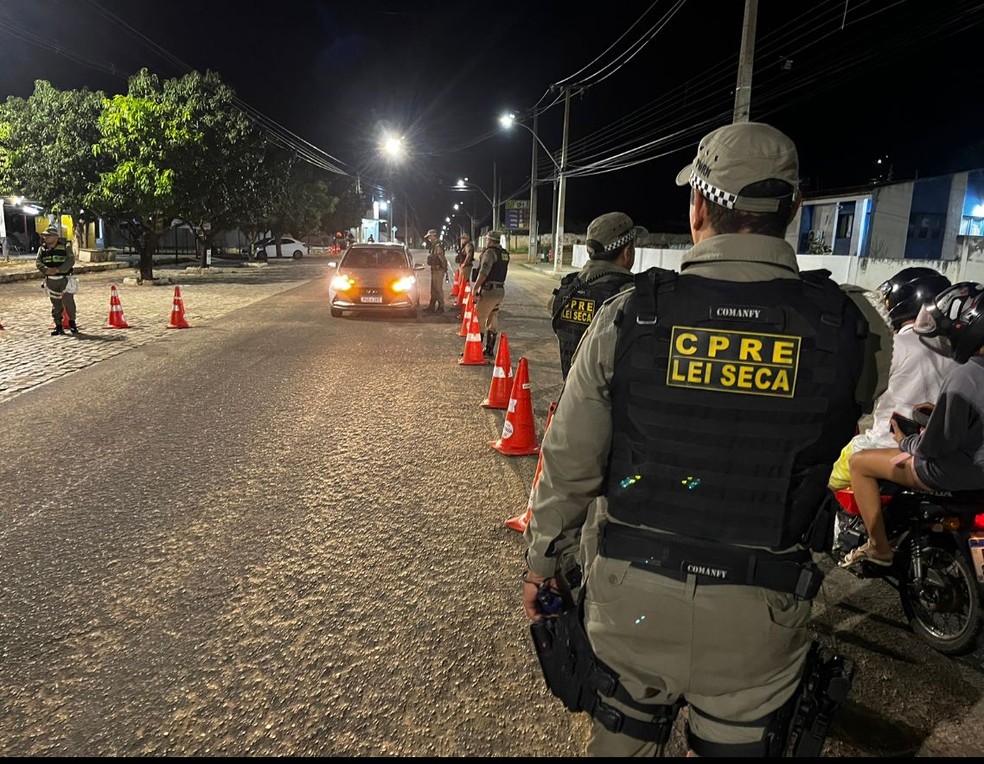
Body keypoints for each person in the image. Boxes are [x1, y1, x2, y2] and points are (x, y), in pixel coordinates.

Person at [521, 122, 890, 757]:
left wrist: (542, 565)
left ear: (697, 208)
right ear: (793, 210)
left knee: (621, 734)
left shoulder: (630, 315)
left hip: (631, 599)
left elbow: (569, 460)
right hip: (759, 612)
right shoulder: (852, 325)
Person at [842, 281, 984, 568]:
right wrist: (939, 412)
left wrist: (903, 439)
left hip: (955, 470)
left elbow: (932, 448)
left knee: (859, 463)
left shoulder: (965, 376)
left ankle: (879, 547)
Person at [828, 267, 957, 492]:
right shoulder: (957, 351)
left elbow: (860, 392)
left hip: (884, 447)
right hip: (941, 455)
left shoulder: (894, 346)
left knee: (825, 481)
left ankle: (838, 526)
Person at [550, 212, 642, 379]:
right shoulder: (630, 293)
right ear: (628, 251)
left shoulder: (566, 288)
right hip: (611, 401)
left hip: (570, 395)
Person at [35, 224, 78, 336]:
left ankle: (72, 323)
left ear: (55, 237)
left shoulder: (65, 247)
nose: (46, 238)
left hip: (64, 278)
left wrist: (58, 269)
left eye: (48, 236)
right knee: (56, 304)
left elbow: (70, 260)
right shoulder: (42, 249)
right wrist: (46, 270)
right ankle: (58, 325)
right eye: (45, 236)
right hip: (50, 280)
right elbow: (38, 262)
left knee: (68, 301)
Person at [473, 231, 510, 357]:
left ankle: (475, 349)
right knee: (493, 318)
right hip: (500, 290)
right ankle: (489, 349)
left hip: (489, 291)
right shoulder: (504, 253)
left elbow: (484, 272)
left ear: (489, 240)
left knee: (480, 317)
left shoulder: (490, 252)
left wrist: (475, 287)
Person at [422, 228, 449, 314]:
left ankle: (441, 307)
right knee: (433, 289)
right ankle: (432, 306)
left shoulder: (437, 246)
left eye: (430, 236)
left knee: (438, 289)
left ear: (433, 236)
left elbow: (442, 258)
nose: (429, 238)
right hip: (434, 270)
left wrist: (445, 268)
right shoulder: (434, 245)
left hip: (438, 270)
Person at [456, 232, 476, 310]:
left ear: (467, 239)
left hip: (466, 267)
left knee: (463, 283)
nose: (461, 240)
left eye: (463, 239)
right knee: (462, 283)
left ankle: (465, 301)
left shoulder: (468, 246)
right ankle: (463, 300)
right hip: (464, 267)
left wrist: (464, 263)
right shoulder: (465, 246)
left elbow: (469, 255)